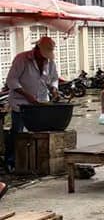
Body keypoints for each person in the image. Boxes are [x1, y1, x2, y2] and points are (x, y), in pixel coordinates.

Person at [4, 37, 59, 171]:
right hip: (21, 103)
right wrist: (27, 96)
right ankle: (11, 161)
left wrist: (54, 89)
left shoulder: (50, 62)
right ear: (37, 49)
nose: (44, 58)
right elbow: (11, 80)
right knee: (18, 132)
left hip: (41, 102)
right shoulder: (21, 59)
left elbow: (53, 78)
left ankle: (36, 162)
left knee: (39, 133)